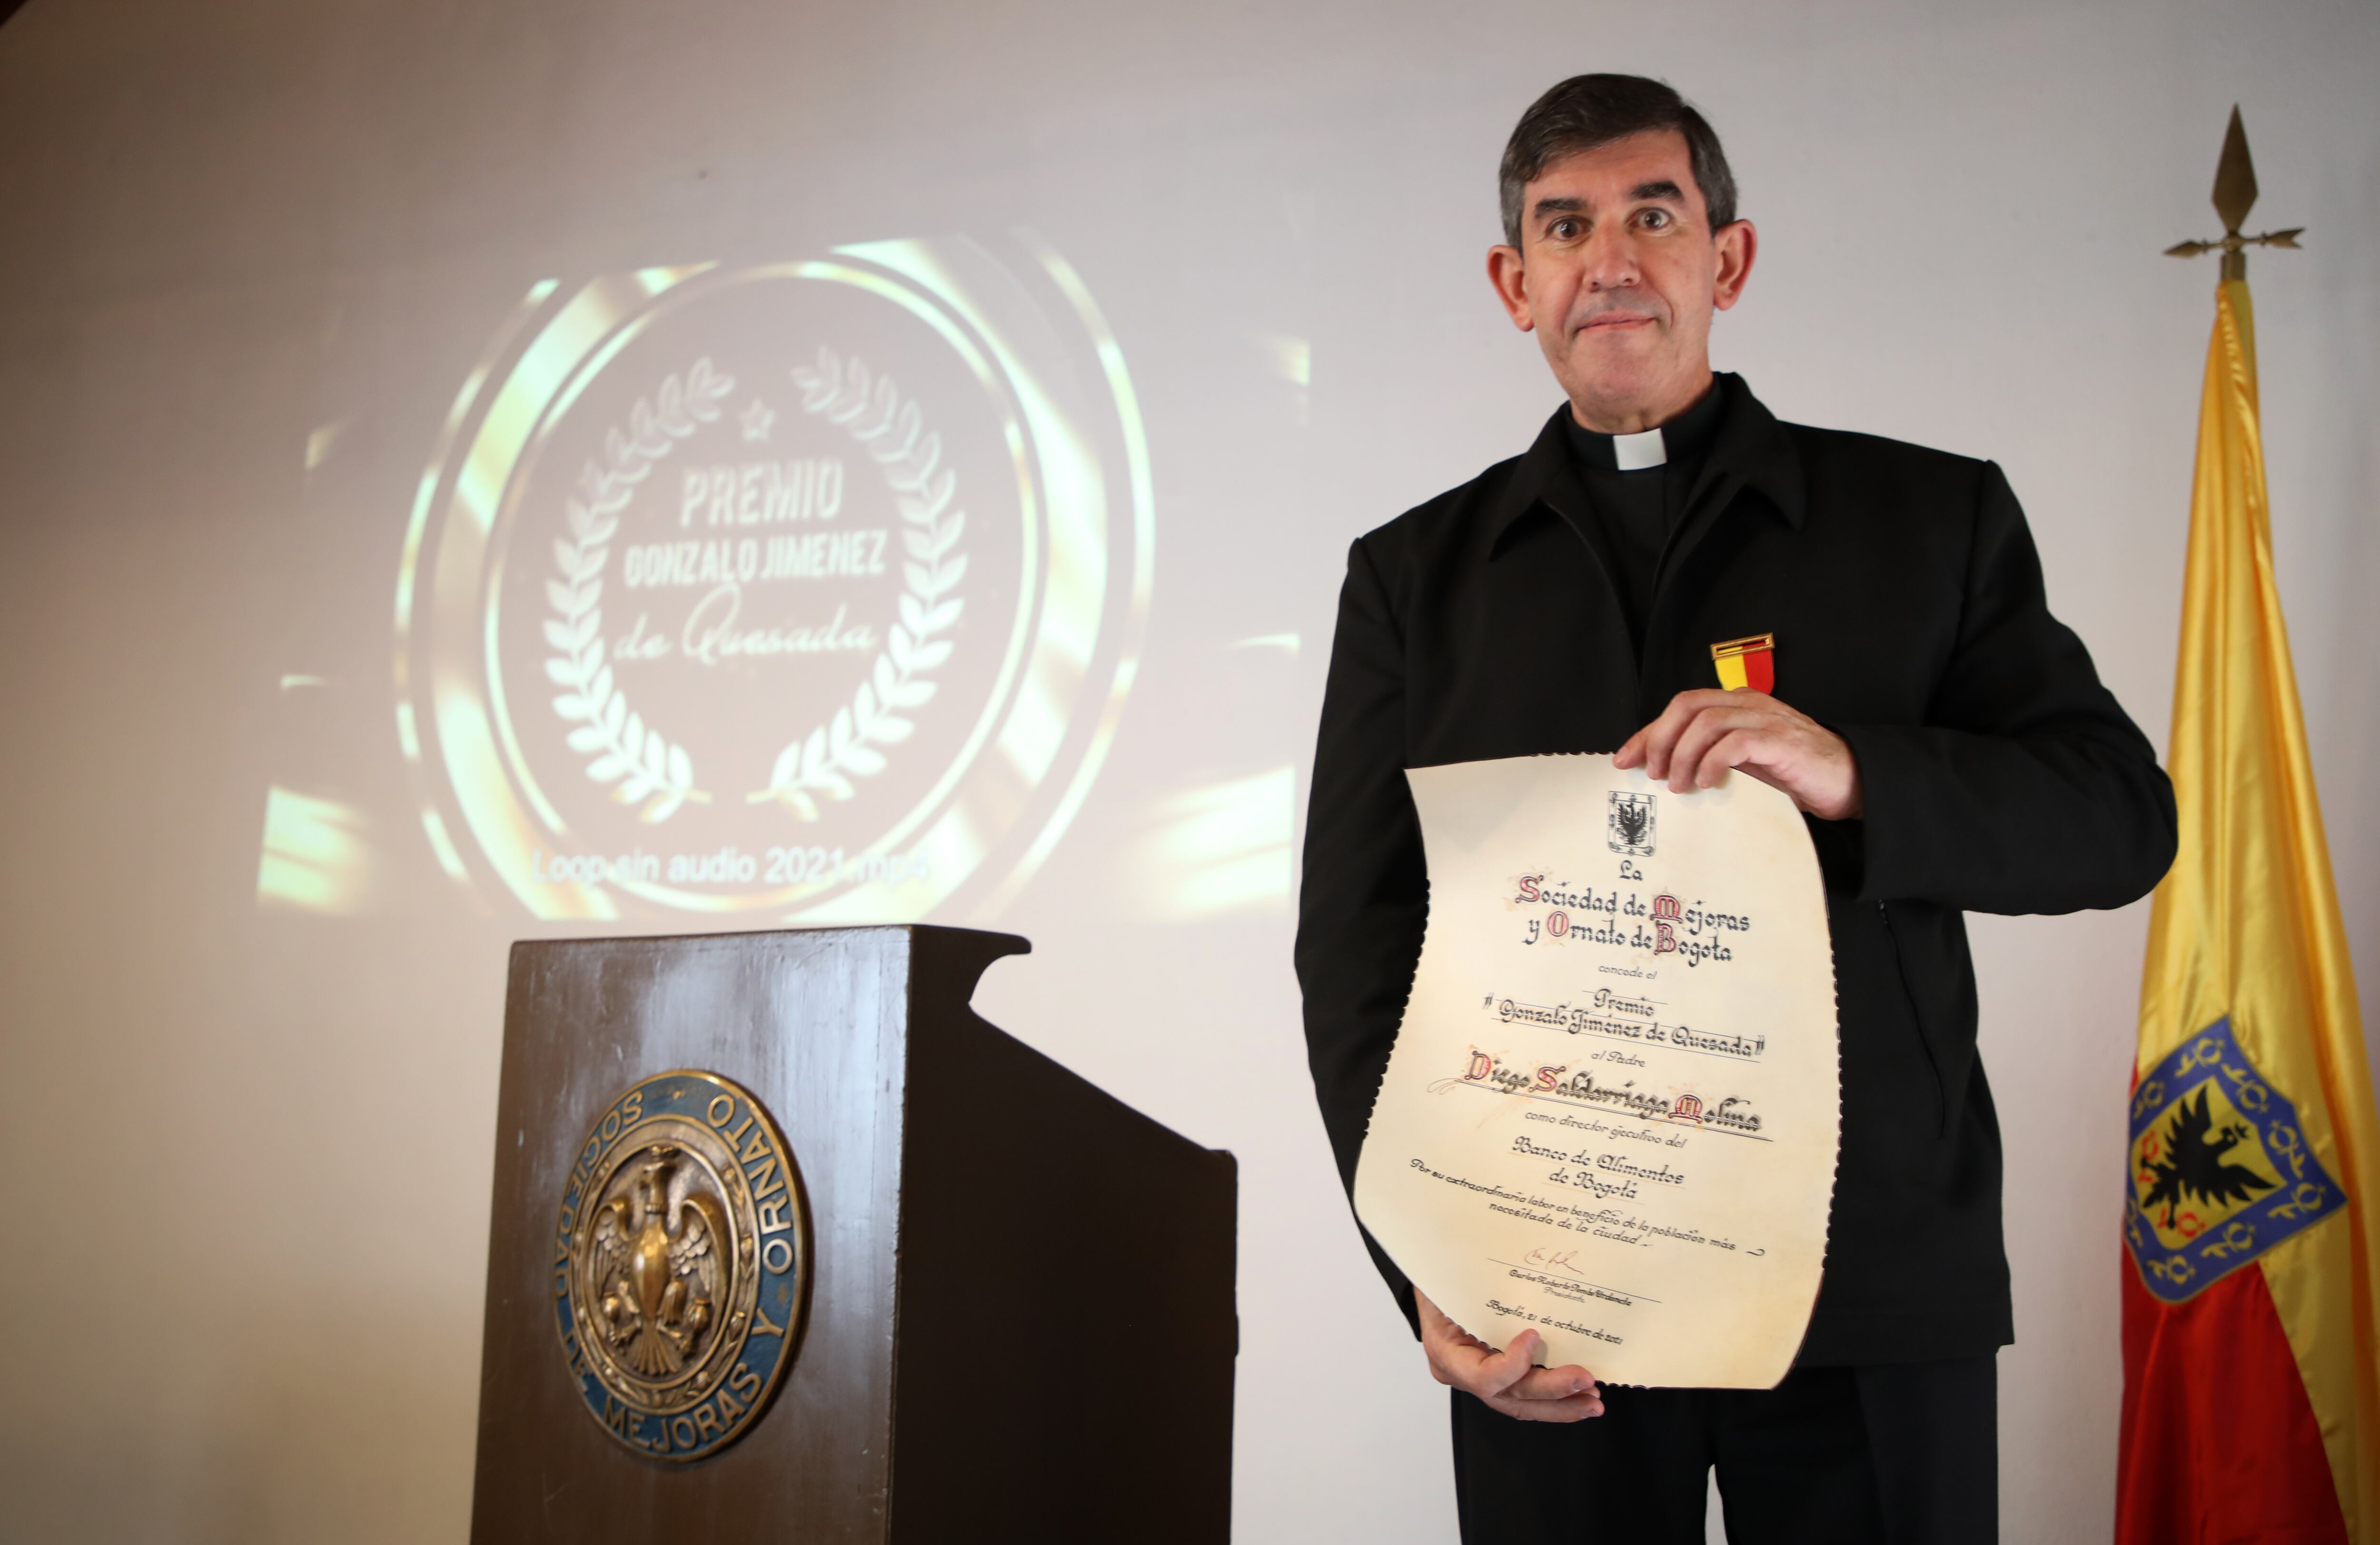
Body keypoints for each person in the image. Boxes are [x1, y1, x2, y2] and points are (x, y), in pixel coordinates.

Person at [1295, 74, 2176, 1544]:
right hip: (1549, 1302)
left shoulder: (1929, 518)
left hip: (1867, 1281)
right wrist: (1424, 1264)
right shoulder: (1415, 582)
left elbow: (2120, 818)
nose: (1611, 262)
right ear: (1516, 284)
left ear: (1729, 257)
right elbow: (1359, 950)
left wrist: (1862, 772)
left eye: (1654, 216)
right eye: (1565, 228)